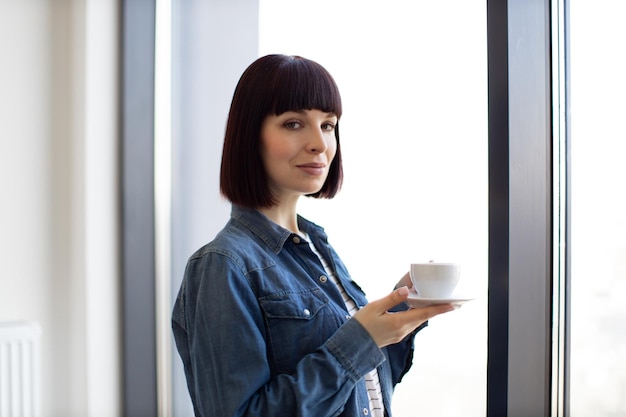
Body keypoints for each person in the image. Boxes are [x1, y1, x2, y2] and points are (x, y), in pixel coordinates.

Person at [171, 54, 455, 417]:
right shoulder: (222, 266)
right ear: (249, 135)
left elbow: (362, 388)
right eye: (293, 123)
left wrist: (402, 312)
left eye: (328, 125)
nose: (319, 144)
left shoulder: (317, 247)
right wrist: (360, 340)